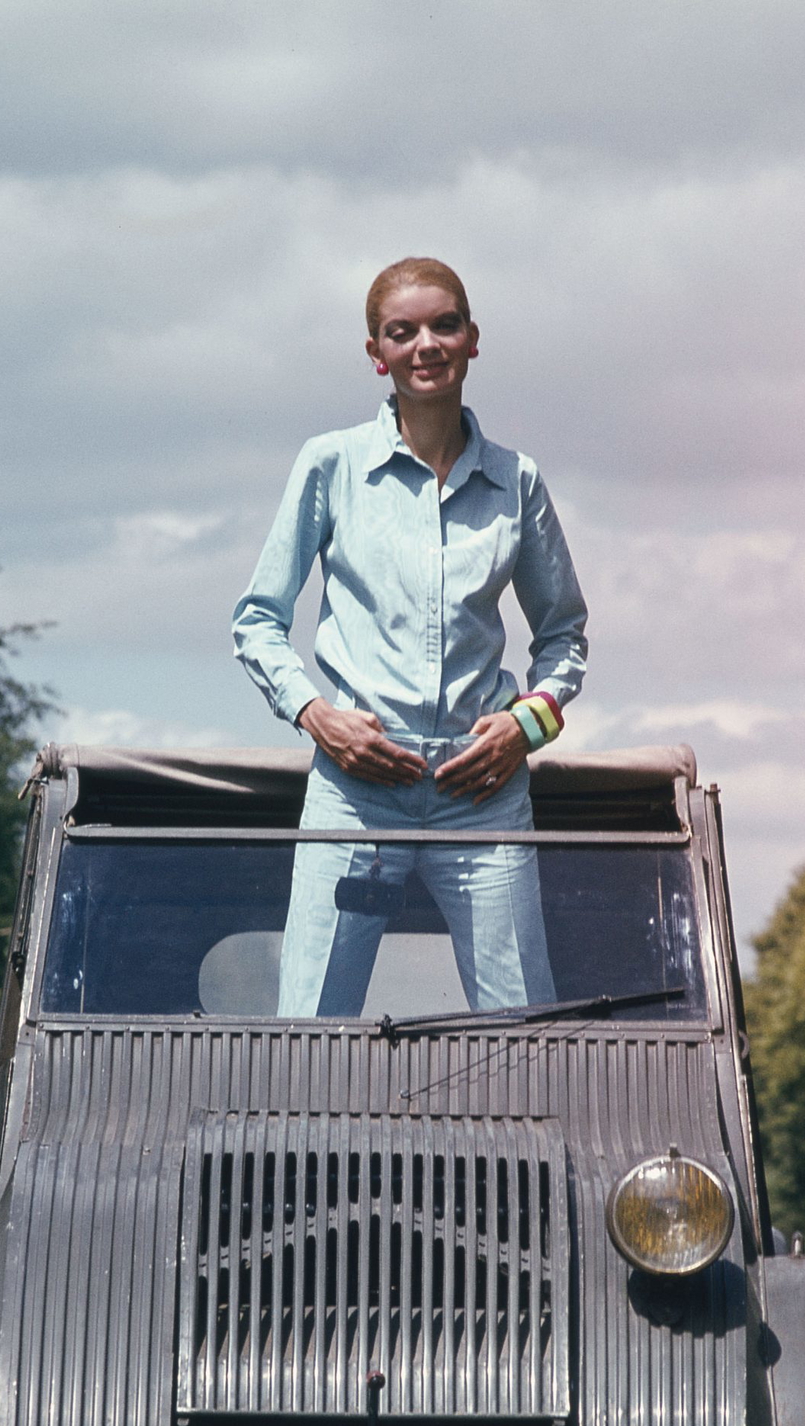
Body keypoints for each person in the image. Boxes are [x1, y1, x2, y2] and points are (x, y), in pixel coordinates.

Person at [233, 257, 589, 1017]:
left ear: (472, 340)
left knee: (525, 1030)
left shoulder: (517, 480)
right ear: (378, 355)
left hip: (483, 794)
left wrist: (526, 727)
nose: (426, 344)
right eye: (404, 332)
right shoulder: (329, 466)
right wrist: (316, 716)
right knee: (308, 1031)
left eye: (444, 325)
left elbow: (564, 637)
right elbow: (257, 620)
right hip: (357, 791)